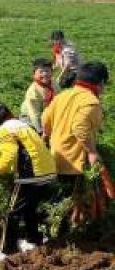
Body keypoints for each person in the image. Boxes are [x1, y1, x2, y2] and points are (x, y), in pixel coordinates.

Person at [0, 104, 57, 263]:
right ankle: (33, 241)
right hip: (47, 171)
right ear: (9, 113)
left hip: (30, 173)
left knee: (11, 212)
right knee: (29, 208)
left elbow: (9, 155)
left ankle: (3, 251)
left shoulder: (3, 130)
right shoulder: (23, 125)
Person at [42, 62, 108, 194]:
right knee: (73, 196)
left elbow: (45, 118)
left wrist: (47, 137)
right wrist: (91, 152)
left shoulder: (62, 95)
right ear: (100, 83)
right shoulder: (91, 102)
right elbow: (80, 127)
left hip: (56, 153)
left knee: (61, 193)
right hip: (74, 160)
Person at [20, 58, 59, 134]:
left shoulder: (53, 83)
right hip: (31, 118)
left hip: (48, 115)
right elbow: (34, 115)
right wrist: (41, 132)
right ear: (34, 74)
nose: (45, 74)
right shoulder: (33, 91)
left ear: (52, 72)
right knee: (32, 132)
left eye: (47, 71)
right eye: (41, 72)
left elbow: (59, 100)